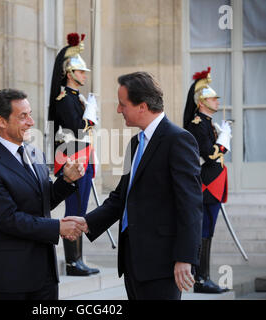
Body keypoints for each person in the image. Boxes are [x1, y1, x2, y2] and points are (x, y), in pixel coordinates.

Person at [66, 72, 203, 300]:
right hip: (133, 262)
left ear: (142, 106)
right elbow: (122, 197)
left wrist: (185, 258)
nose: (118, 110)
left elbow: (191, 205)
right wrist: (88, 222)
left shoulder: (178, 140)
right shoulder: (135, 143)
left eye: (123, 104)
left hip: (163, 264)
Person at [0, 88, 88, 300]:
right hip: (10, 276)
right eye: (23, 116)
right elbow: (8, 219)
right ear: (2, 121)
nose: (31, 122)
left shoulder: (35, 153)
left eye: (30, 114)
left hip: (44, 272)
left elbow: (43, 201)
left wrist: (66, 180)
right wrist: (57, 227)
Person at [48, 33, 99, 276]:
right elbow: (77, 129)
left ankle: (77, 258)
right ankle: (72, 261)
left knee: (80, 208)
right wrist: (89, 114)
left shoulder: (76, 99)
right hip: (72, 155)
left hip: (83, 154)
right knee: (74, 209)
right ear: (69, 73)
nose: (84, 75)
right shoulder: (64, 99)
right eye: (80, 72)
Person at [183, 67, 232, 294]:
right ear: (201, 101)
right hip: (206, 185)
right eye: (212, 98)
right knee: (203, 230)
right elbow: (208, 154)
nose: (216, 101)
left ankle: (204, 276)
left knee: (208, 231)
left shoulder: (208, 122)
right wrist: (222, 142)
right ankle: (201, 279)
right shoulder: (197, 124)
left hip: (214, 183)